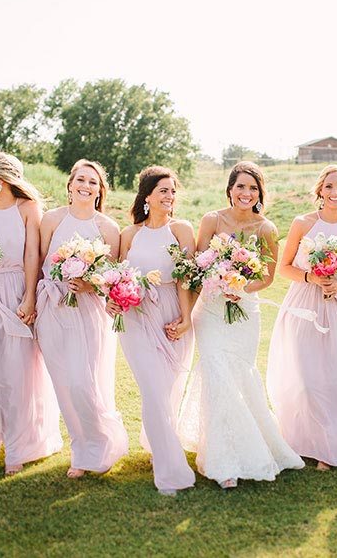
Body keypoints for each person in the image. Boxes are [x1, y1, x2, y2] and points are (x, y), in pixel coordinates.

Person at [178, 161, 303, 489]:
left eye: (252, 188)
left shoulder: (267, 228)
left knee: (241, 377)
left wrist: (241, 288)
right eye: (240, 186)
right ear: (230, 189)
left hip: (245, 310)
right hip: (212, 311)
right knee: (217, 377)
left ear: (260, 193)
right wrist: (216, 282)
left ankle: (253, 444)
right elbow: (197, 265)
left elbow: (267, 275)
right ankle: (222, 460)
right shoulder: (212, 220)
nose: (246, 193)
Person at [266, 164, 337, 471]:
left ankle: (331, 446)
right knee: (305, 376)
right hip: (304, 304)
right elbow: (284, 267)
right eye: (329, 186)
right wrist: (312, 278)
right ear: (320, 190)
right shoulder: (303, 223)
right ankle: (301, 441)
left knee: (335, 376)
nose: (335, 192)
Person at [0, 152, 62, 476]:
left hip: (17, 292)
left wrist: (30, 297)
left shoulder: (27, 209)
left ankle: (17, 445)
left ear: (1, 180)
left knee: (19, 375)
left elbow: (33, 253)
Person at [35, 159, 128, 479]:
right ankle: (81, 449)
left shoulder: (108, 228)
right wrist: (30, 302)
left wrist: (90, 284)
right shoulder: (51, 219)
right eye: (81, 180)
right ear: (70, 185)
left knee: (82, 382)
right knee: (63, 384)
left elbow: (111, 275)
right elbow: (37, 261)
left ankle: (100, 442)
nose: (86, 186)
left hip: (88, 312)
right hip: (52, 307)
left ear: (100, 191)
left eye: (93, 182)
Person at [114, 166, 195, 496]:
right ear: (147, 196)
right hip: (136, 315)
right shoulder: (130, 234)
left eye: (173, 191)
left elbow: (187, 277)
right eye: (163, 190)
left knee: (168, 388)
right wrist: (116, 299)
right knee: (152, 388)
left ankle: (156, 441)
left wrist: (187, 318)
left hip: (172, 313)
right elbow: (117, 275)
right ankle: (170, 468)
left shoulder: (182, 230)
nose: (169, 196)